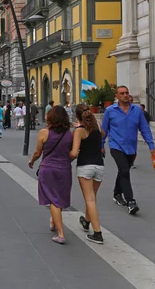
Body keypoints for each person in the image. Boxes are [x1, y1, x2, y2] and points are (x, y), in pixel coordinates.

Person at [101, 86, 155, 215]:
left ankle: (116, 193)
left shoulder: (137, 110)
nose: (125, 95)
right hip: (116, 146)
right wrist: (101, 145)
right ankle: (131, 201)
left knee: (123, 170)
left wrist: (151, 146)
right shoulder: (110, 111)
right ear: (117, 96)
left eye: (126, 93)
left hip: (131, 147)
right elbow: (104, 130)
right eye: (122, 93)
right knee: (124, 170)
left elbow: (144, 128)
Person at [28, 105, 73, 244]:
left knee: (53, 199)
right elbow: (72, 152)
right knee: (59, 197)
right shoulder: (69, 134)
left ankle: (60, 234)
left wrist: (31, 161)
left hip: (47, 168)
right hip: (64, 168)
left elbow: (37, 152)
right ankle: (54, 222)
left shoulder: (44, 132)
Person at [70, 104, 105, 244]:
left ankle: (97, 233)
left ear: (77, 116)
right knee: (92, 197)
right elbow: (101, 136)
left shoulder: (79, 131)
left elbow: (74, 153)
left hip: (85, 166)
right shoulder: (98, 128)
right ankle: (86, 221)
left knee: (89, 199)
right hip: (99, 166)